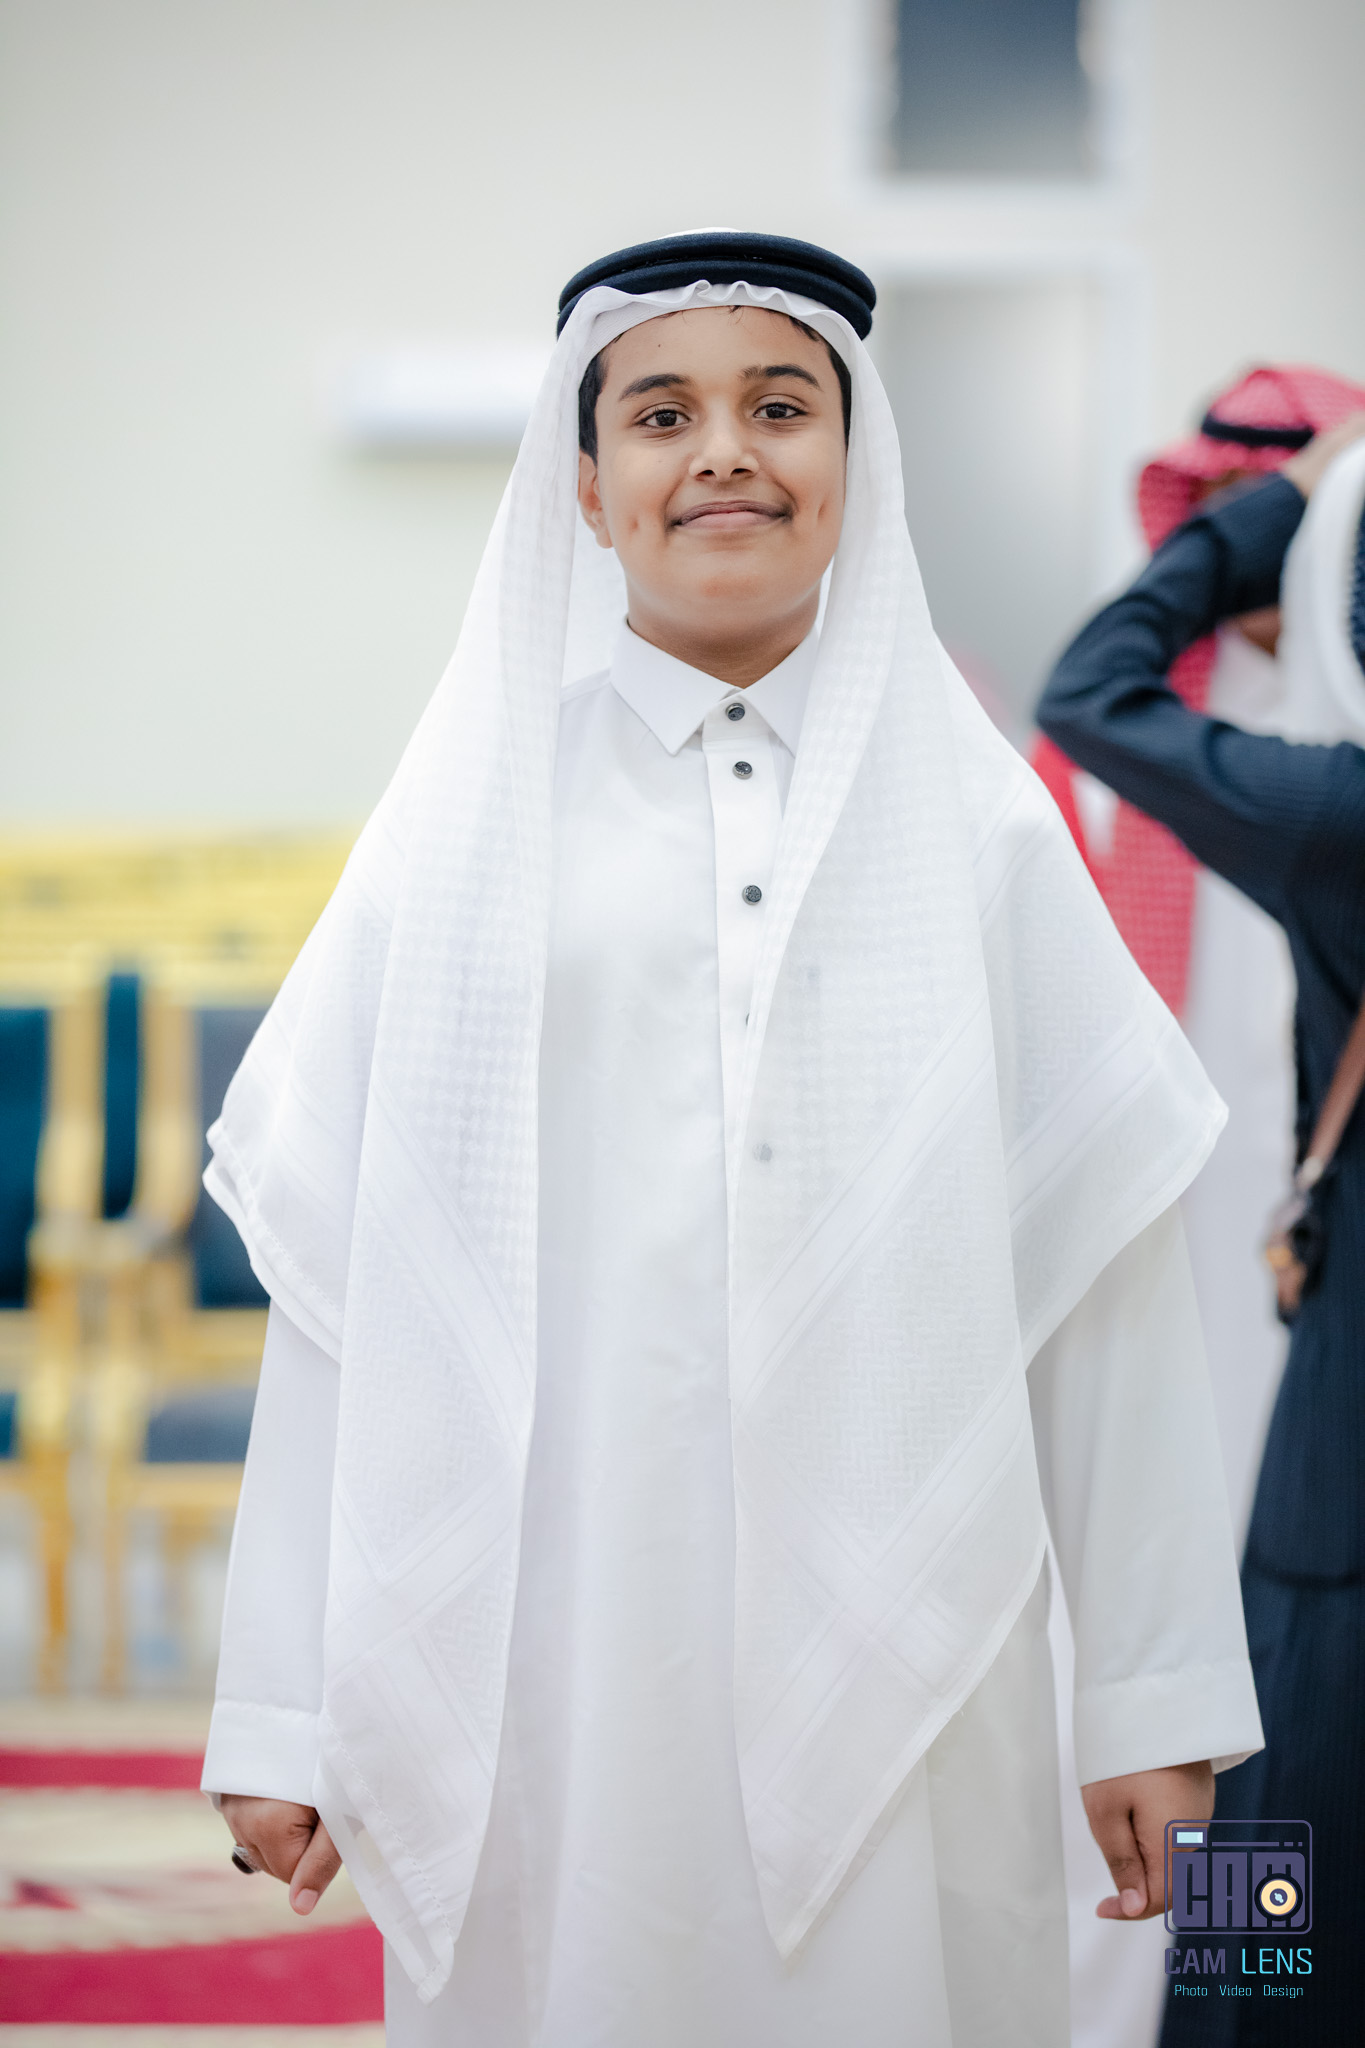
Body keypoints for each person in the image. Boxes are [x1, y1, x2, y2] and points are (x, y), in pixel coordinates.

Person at [201, 231, 1262, 2048]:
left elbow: (1100, 1281)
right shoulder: (467, 831)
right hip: (553, 1637)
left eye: (780, 407)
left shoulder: (979, 832)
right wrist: (286, 1705)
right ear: (586, 487)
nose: (722, 454)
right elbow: (347, 1282)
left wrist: (1151, 1698)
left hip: (915, 1650)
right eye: (659, 414)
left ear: (854, 465)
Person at [1038, 412, 1365, 2046]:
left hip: (1314, 1373)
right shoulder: (1285, 777)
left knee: (1271, 1746)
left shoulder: (1319, 792)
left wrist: (1254, 528)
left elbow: (1090, 686)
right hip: (1201, 1276)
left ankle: (1228, 2010)